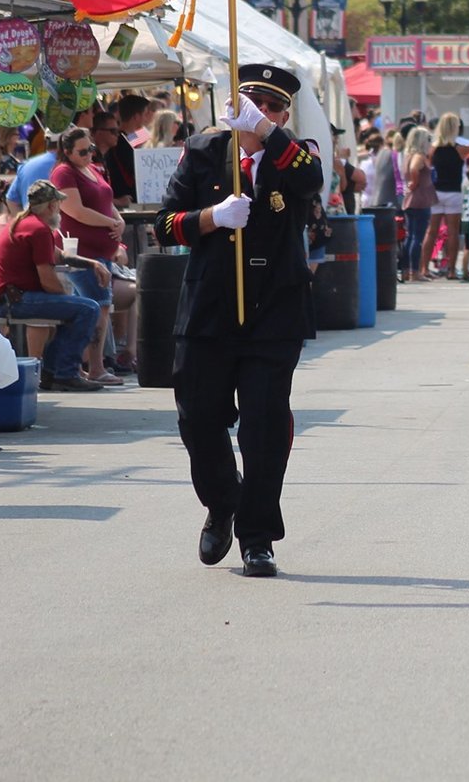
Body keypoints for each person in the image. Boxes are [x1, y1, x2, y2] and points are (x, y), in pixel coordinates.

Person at [156, 65, 323, 579]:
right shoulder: (205, 151)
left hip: (273, 310)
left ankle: (257, 536)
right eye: (252, 104)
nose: (259, 113)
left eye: (272, 108)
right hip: (210, 309)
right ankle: (223, 501)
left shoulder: (295, 152)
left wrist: (272, 135)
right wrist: (211, 218)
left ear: (284, 115)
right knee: (198, 417)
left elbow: (310, 181)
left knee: (265, 425)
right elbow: (166, 224)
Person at [0, 180, 106, 393]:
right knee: (88, 309)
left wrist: (92, 263)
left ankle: (53, 371)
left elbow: (59, 256)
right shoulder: (39, 229)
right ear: (52, 206)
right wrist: (67, 299)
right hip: (17, 301)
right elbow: (47, 280)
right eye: (58, 204)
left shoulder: (24, 223)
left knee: (76, 309)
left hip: (8, 298)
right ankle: (66, 373)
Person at [50, 125, 130, 384]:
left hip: (101, 252)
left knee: (97, 308)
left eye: (90, 150)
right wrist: (110, 223)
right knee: (97, 308)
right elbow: (75, 210)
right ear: (67, 151)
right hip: (83, 254)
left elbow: (107, 201)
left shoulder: (92, 169)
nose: (88, 155)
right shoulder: (63, 173)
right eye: (82, 152)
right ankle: (94, 366)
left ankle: (87, 365)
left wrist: (118, 222)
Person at [419, 112, 466, 278]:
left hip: (436, 191)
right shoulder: (460, 149)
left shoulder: (433, 149)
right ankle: (452, 270)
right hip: (453, 192)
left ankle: (423, 268)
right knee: (453, 232)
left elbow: (428, 165)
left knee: (431, 231)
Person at [401, 125, 436, 282]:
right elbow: (415, 169)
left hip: (412, 199)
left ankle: (407, 270)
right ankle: (414, 271)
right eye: (428, 139)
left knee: (410, 237)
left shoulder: (408, 155)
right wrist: (415, 182)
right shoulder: (419, 156)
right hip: (420, 199)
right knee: (417, 237)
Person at [95, 109, 137, 207]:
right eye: (113, 131)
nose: (117, 135)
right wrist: (118, 202)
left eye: (117, 131)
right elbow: (91, 196)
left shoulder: (108, 156)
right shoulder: (89, 159)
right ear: (99, 132)